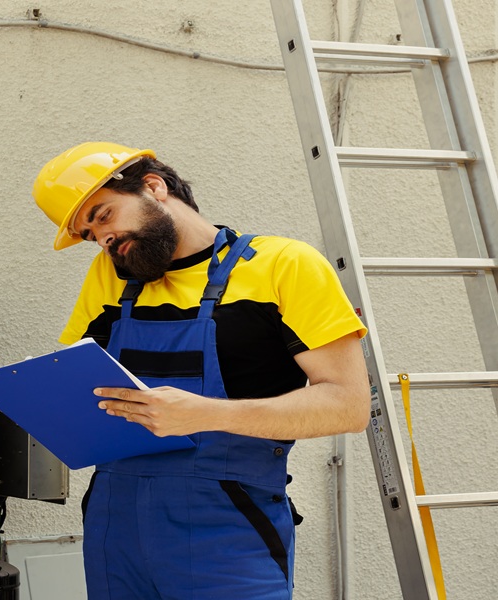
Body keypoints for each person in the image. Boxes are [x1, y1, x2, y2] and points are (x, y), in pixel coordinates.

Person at [32, 142, 370, 599]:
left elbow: (347, 406)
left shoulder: (283, 265)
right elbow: (79, 386)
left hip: (229, 525)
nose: (104, 241)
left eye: (105, 216)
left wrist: (207, 415)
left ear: (154, 187)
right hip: (116, 526)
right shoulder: (108, 278)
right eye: (91, 235)